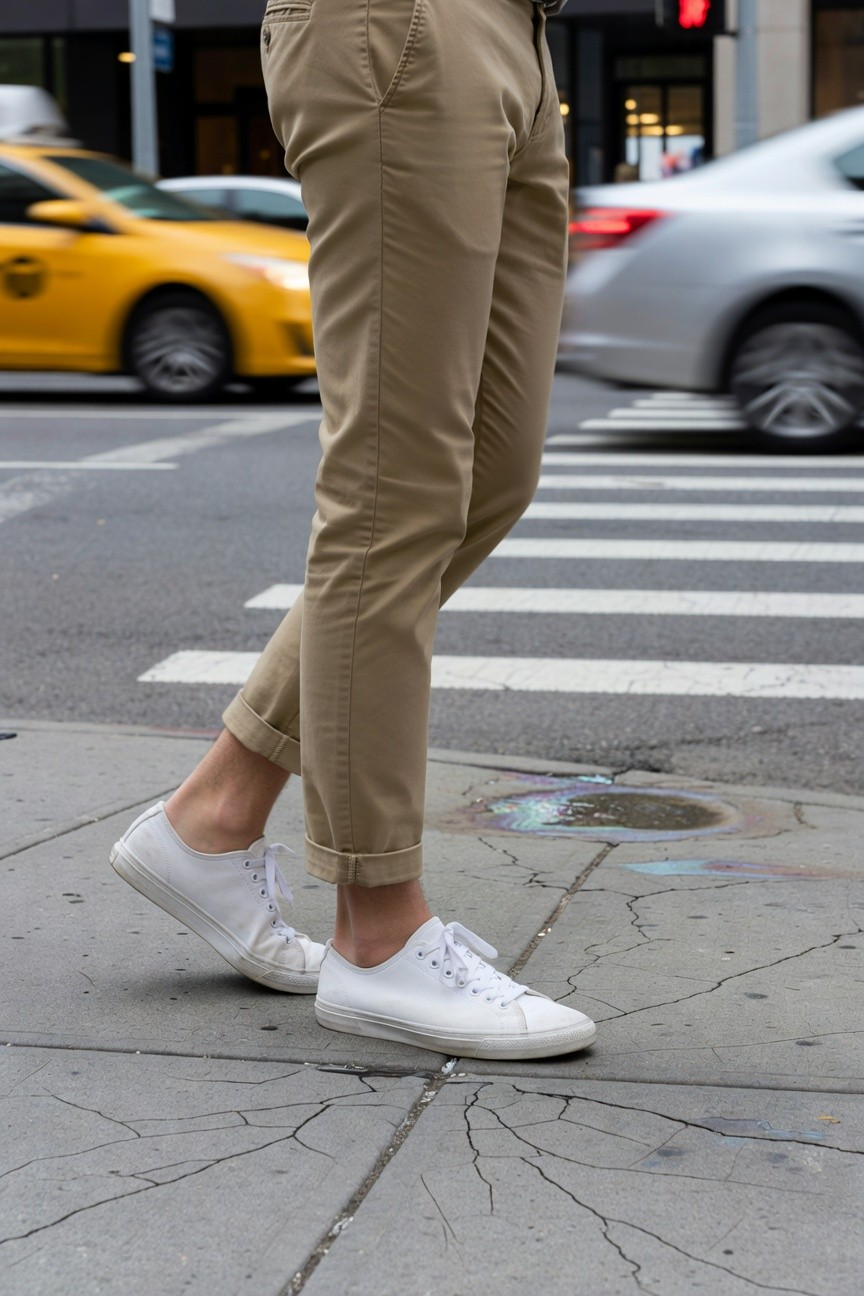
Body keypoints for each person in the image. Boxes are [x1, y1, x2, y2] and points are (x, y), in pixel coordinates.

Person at [111, 0, 596, 1060]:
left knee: (485, 478)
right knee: (398, 485)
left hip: (518, 34)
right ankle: (378, 933)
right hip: (404, 25)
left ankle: (214, 816)